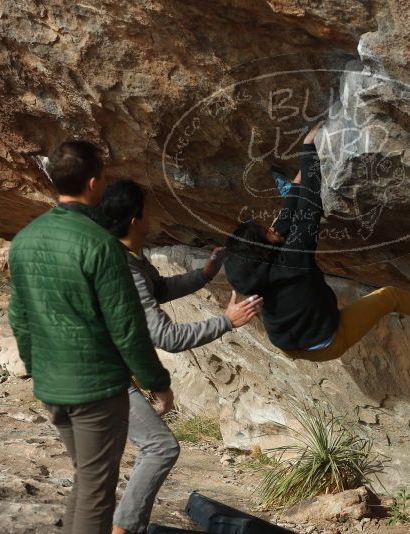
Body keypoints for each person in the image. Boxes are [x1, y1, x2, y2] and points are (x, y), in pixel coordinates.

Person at [8, 141, 173, 534]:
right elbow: (128, 327)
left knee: (87, 478)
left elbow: (19, 317)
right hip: (95, 389)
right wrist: (157, 383)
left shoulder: (25, 238)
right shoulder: (100, 244)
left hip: (52, 384)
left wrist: (36, 368)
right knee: (98, 494)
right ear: (95, 183)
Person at [223, 123, 410, 362]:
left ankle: (292, 190)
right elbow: (311, 205)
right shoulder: (292, 259)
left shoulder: (254, 270)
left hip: (289, 343)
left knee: (284, 224)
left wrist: (297, 186)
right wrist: (308, 147)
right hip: (327, 342)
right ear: (262, 250)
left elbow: (282, 226)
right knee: (389, 297)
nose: (269, 228)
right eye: (263, 232)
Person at [98, 180, 263, 534]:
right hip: (99, 378)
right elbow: (168, 337)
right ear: (133, 220)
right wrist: (227, 321)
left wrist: (204, 274)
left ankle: (123, 526)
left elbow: (159, 290)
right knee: (160, 447)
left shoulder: (124, 255)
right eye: (146, 212)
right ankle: (123, 530)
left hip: (99, 373)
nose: (150, 218)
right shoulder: (124, 270)